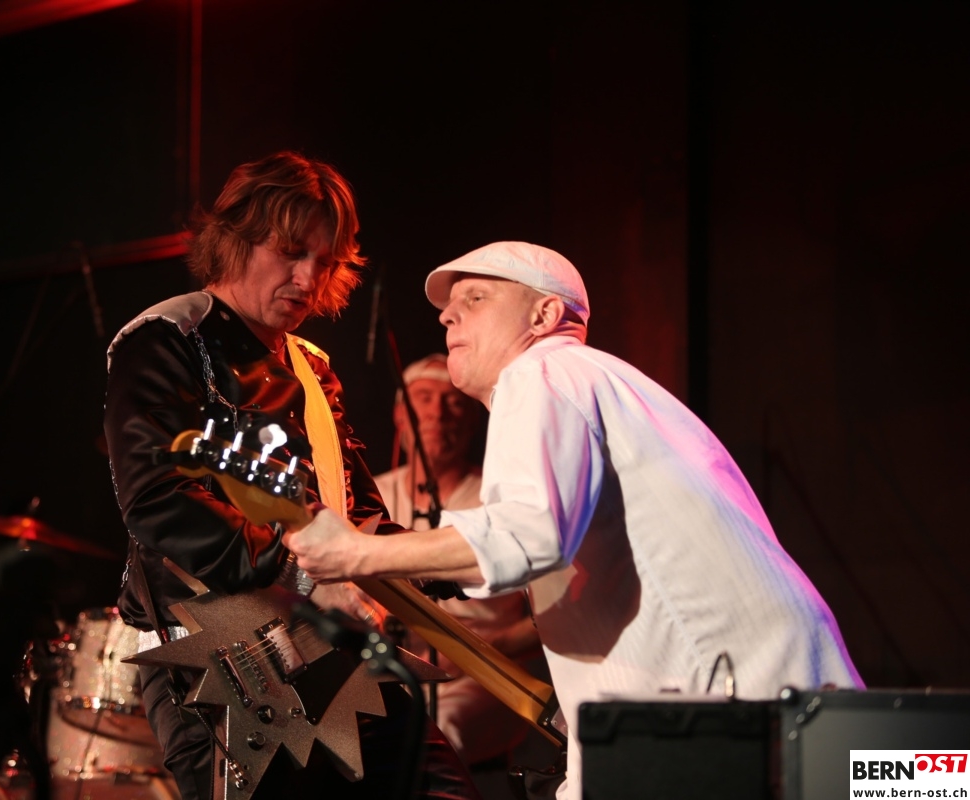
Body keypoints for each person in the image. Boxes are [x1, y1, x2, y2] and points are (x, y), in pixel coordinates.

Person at [283, 241, 865, 800]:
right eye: (449, 306)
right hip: (734, 697)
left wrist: (355, 554)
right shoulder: (592, 380)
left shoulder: (542, 372)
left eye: (476, 298)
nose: (447, 316)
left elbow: (526, 536)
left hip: (726, 704)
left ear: (543, 315)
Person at [103, 150, 481, 800]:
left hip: (328, 649)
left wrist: (471, 559)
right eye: (289, 252)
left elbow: (357, 520)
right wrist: (300, 571)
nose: (308, 278)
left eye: (325, 261)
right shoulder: (168, 338)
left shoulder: (311, 367)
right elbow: (159, 500)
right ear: (236, 239)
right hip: (220, 658)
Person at [374, 354, 551, 776]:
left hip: (481, 675)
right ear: (400, 415)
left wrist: (477, 652)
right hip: (386, 668)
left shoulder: (503, 501)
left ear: (473, 422)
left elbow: (555, 613)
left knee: (434, 733)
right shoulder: (372, 496)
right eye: (424, 398)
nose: (437, 413)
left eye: (453, 403)